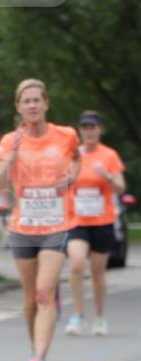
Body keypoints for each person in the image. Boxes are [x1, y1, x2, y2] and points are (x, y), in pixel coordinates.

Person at [0, 79, 80, 361]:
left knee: (45, 292)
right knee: (31, 298)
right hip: (23, 227)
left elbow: (77, 159)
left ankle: (39, 360)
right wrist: (11, 157)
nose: (32, 105)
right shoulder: (9, 141)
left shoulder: (66, 135)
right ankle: (35, 350)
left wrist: (72, 177)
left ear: (46, 103)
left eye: (36, 100)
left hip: (56, 225)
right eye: (26, 101)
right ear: (18, 107)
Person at [65, 111, 125, 336]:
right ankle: (77, 315)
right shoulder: (73, 156)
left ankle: (99, 317)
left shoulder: (109, 155)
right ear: (80, 131)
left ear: (100, 129)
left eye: (93, 127)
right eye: (85, 128)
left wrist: (108, 177)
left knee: (97, 271)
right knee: (76, 265)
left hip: (102, 221)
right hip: (77, 220)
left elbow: (121, 188)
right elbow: (64, 182)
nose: (89, 132)